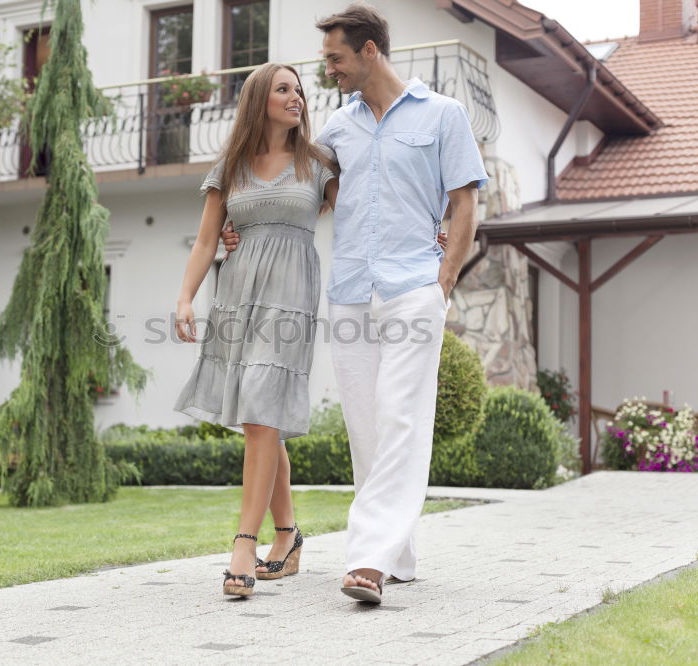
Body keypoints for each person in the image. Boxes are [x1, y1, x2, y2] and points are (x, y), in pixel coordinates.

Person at [223, 3, 488, 604]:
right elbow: (300, 197)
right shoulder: (337, 130)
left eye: (336, 59)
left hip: (413, 288)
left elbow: (464, 203)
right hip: (348, 294)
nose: (329, 72)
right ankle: (399, 556)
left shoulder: (443, 115)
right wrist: (240, 230)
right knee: (366, 429)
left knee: (401, 418)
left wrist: (443, 280)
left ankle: (366, 559)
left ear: (369, 51)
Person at [173, 63, 338, 597]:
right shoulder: (233, 165)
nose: (297, 98)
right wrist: (184, 298)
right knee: (257, 416)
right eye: (284, 89)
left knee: (263, 402)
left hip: (291, 296)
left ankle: (245, 541)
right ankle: (287, 535)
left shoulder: (319, 164)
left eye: (300, 90)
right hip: (238, 294)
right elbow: (204, 242)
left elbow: (363, 216)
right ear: (259, 100)